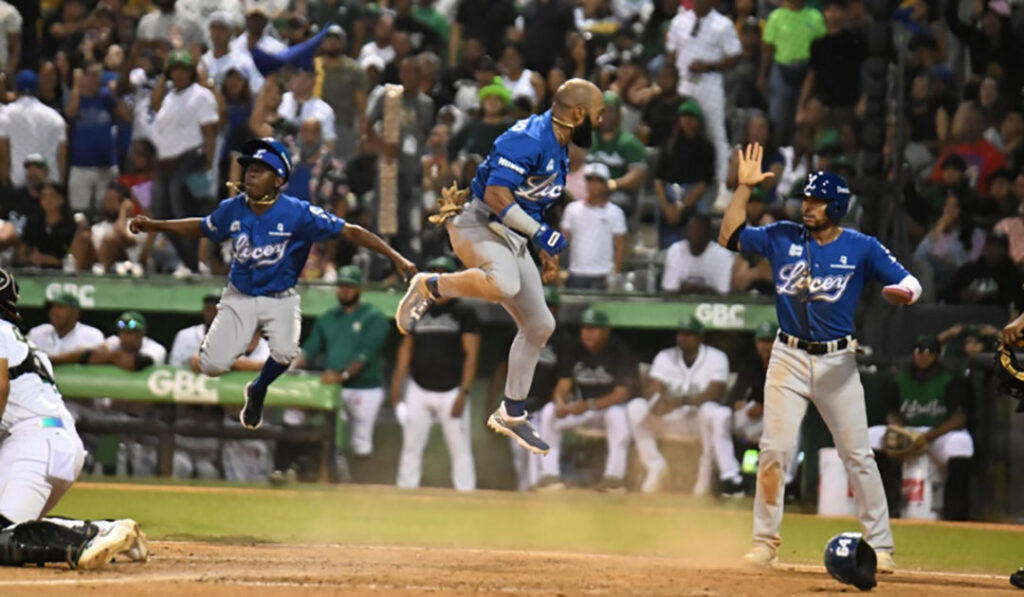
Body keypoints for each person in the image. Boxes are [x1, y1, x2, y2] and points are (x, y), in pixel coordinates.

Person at [718, 143, 922, 572]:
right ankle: (765, 544)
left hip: (838, 363)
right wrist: (743, 189)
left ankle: (881, 547)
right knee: (774, 451)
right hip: (788, 356)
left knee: (858, 454)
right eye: (805, 199)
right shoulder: (782, 235)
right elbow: (729, 236)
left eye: (816, 200)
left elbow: (911, 282)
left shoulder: (861, 246)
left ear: (837, 206)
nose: (807, 206)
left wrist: (903, 293)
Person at [130, 138, 416, 431]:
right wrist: (156, 225)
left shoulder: (299, 213)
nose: (250, 174)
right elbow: (203, 227)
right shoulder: (233, 208)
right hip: (239, 296)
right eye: (249, 168)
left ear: (278, 178)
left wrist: (395, 257)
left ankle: (258, 388)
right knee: (211, 366)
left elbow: (351, 231)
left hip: (279, 296)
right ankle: (240, 351)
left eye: (260, 169)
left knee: (285, 353)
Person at [395, 78, 605, 455]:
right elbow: (495, 193)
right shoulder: (528, 136)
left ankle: (512, 412)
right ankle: (431, 285)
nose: (600, 121)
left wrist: (543, 247)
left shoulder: (559, 148)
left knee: (541, 325)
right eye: (597, 114)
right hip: (475, 222)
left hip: (510, 236)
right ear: (577, 114)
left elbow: (531, 204)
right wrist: (540, 232)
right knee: (504, 284)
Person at [0, 268, 148, 570]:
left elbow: (1, 388)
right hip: (47, 441)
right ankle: (105, 529)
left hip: (34, 444)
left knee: (3, 536)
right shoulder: (19, 338)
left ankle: (84, 538)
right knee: (15, 528)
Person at [392, 256, 480, 491]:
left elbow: (472, 354)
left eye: (444, 274)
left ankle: (466, 495)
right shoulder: (417, 308)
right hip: (419, 388)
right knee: (411, 446)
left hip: (452, 390)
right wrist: (397, 383)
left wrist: (464, 391)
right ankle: (405, 493)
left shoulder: (464, 312)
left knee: (460, 448)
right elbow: (406, 349)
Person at [627, 316, 741, 496]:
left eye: (689, 334)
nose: (684, 338)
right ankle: (655, 466)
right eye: (681, 333)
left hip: (696, 423)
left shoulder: (716, 357)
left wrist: (677, 401)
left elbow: (714, 394)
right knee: (636, 407)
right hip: (669, 420)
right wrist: (657, 403)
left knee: (714, 411)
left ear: (699, 337)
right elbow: (653, 390)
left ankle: (707, 476)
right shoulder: (665, 356)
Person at [867, 335, 974, 521]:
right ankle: (885, 505)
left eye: (928, 352)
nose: (922, 356)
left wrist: (926, 438)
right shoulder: (899, 377)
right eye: (918, 351)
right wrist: (901, 433)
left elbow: (959, 419)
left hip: (938, 435)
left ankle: (955, 514)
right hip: (907, 432)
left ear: (936, 355)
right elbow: (892, 413)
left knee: (961, 442)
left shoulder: (951, 378)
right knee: (871, 436)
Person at [296, 265, 390, 457]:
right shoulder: (327, 318)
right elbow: (309, 350)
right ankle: (315, 469)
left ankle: (362, 480)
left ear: (359, 289)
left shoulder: (374, 317)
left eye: (350, 286)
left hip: (363, 388)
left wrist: (342, 375)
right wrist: (289, 366)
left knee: (360, 443)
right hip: (332, 386)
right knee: (298, 417)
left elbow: (365, 355)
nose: (345, 290)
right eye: (342, 285)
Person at [536, 308, 633, 492]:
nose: (587, 333)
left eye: (594, 328)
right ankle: (550, 476)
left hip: (607, 410)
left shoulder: (618, 350)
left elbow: (621, 394)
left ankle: (614, 479)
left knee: (617, 415)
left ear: (606, 331)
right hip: (584, 411)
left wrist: (588, 405)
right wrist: (560, 401)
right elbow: (564, 383)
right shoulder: (575, 348)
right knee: (549, 412)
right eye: (585, 328)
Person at [486, 286, 569, 491]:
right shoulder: (517, 335)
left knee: (536, 456)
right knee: (519, 459)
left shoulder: (562, 341)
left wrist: (557, 403)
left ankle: (537, 495)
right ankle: (525, 498)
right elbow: (502, 371)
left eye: (550, 306)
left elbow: (565, 378)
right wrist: (490, 402)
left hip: (543, 407)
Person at [149, 49, 220, 274]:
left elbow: (210, 131)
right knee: (161, 213)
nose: (179, 75)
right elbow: (155, 104)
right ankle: (183, 260)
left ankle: (192, 264)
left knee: (184, 210)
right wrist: (162, 75)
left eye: (183, 70)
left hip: (191, 158)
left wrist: (209, 163)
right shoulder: (169, 96)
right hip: (166, 163)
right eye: (175, 70)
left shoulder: (201, 95)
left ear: (191, 72)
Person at [665, 0, 741, 185]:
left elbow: (735, 55)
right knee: (678, 133)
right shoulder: (679, 21)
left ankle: (721, 183)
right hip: (684, 83)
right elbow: (670, 50)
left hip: (709, 83)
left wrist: (708, 66)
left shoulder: (723, 24)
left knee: (715, 134)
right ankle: (676, 178)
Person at [653, 99, 716, 249]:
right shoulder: (669, 144)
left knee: (702, 208)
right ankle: (664, 248)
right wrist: (666, 206)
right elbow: (658, 179)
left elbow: (704, 183)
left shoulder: (706, 146)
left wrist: (681, 206)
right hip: (670, 189)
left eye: (692, 117)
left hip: (693, 192)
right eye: (684, 117)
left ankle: (698, 245)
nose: (688, 121)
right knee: (659, 207)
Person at [560, 163, 627, 290]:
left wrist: (614, 274)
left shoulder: (615, 212)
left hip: (602, 274)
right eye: (590, 180)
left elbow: (620, 246)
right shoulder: (572, 209)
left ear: (606, 184)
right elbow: (562, 240)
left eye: (599, 181)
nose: (593, 185)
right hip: (576, 272)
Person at [0, 70, 67, 189]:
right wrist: (60, 187)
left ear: (16, 89)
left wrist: (4, 184)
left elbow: (4, 155)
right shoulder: (55, 118)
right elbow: (62, 156)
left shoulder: (5, 115)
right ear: (37, 88)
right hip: (49, 188)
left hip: (17, 185)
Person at [662, 214, 736, 294]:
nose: (694, 233)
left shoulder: (724, 255)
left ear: (709, 232)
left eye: (699, 230)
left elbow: (723, 293)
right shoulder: (675, 250)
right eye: (691, 229)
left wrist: (699, 289)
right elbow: (669, 290)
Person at [27, 292, 104, 365]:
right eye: (52, 307)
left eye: (60, 307)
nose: (54, 311)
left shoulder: (93, 336)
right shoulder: (36, 333)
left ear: (75, 313)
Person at [84, 311, 166, 371]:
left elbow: (135, 364)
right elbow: (90, 356)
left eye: (129, 333)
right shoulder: (113, 341)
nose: (124, 337)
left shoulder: (156, 348)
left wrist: (111, 356)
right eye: (122, 332)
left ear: (141, 334)